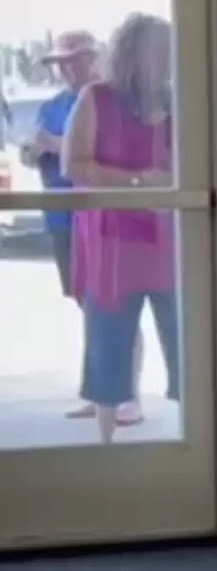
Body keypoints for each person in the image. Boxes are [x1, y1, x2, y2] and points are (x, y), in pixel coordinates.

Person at [62, 13, 178, 444]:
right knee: (108, 340)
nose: (164, 61)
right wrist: (136, 181)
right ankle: (106, 444)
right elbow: (73, 165)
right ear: (130, 55)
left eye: (168, 52)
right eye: (156, 52)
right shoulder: (98, 98)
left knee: (187, 338)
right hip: (113, 240)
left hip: (173, 237)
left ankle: (196, 441)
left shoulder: (182, 99)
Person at [20, 31, 109, 420]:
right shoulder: (52, 105)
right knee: (83, 300)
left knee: (107, 302)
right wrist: (33, 149)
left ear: (93, 58)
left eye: (75, 61)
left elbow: (101, 153)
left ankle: (113, 393)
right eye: (62, 63)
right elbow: (31, 151)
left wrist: (56, 145)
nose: (68, 69)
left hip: (98, 213)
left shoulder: (107, 101)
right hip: (59, 216)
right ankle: (104, 390)